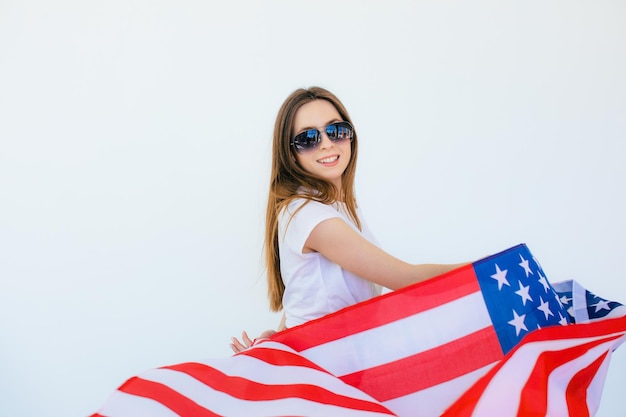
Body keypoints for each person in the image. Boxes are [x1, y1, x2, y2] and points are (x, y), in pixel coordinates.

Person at [230, 87, 465, 352]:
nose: (327, 144)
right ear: (290, 153)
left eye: (336, 131)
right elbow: (405, 278)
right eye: (308, 138)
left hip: (342, 360)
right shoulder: (310, 215)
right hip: (323, 369)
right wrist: (488, 269)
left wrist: (279, 335)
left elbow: (306, 294)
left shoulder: (335, 206)